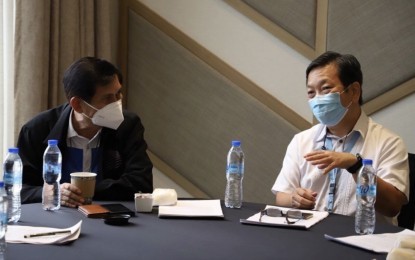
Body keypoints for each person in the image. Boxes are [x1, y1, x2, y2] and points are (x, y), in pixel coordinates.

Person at [271, 51, 409, 224]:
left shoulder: (389, 143)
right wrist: (294, 198)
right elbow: (281, 196)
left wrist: (356, 166)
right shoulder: (302, 141)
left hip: (365, 241)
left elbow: (392, 207)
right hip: (311, 237)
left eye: (326, 89)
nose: (318, 99)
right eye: (311, 93)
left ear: (354, 91)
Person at [18, 57, 153, 207]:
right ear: (77, 104)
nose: (117, 103)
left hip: (108, 216)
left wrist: (85, 190)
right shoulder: (37, 130)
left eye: (118, 94)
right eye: (108, 97)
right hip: (54, 218)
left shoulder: (128, 125)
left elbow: (142, 183)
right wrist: (49, 192)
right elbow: (19, 189)